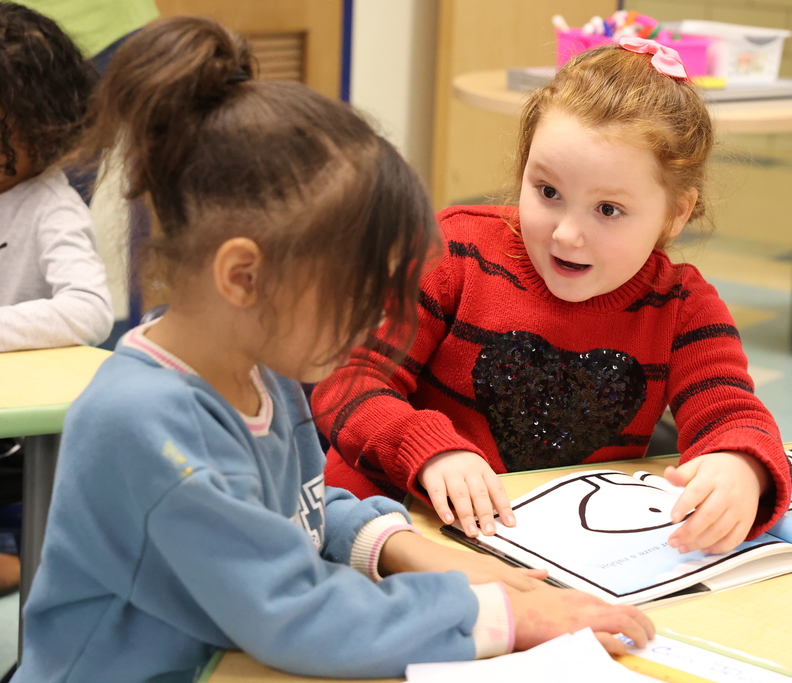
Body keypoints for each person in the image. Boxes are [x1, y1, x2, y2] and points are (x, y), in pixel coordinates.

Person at [13, 17, 653, 683]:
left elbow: (301, 514)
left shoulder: (261, 369)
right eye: (360, 294)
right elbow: (295, 611)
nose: (380, 321)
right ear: (244, 276)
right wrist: (500, 617)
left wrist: (416, 552)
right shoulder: (144, 425)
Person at [312, 38, 792, 556]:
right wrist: (428, 451)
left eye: (607, 210)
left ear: (676, 213)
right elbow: (346, 381)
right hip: (392, 523)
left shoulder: (683, 307)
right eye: (547, 192)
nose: (566, 234)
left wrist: (741, 466)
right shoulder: (450, 254)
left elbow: (734, 414)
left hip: (556, 549)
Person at [0, 2, 115, 600]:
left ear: (44, 129)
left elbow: (89, 310)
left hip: (19, 440)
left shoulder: (50, 207)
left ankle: (27, 563)